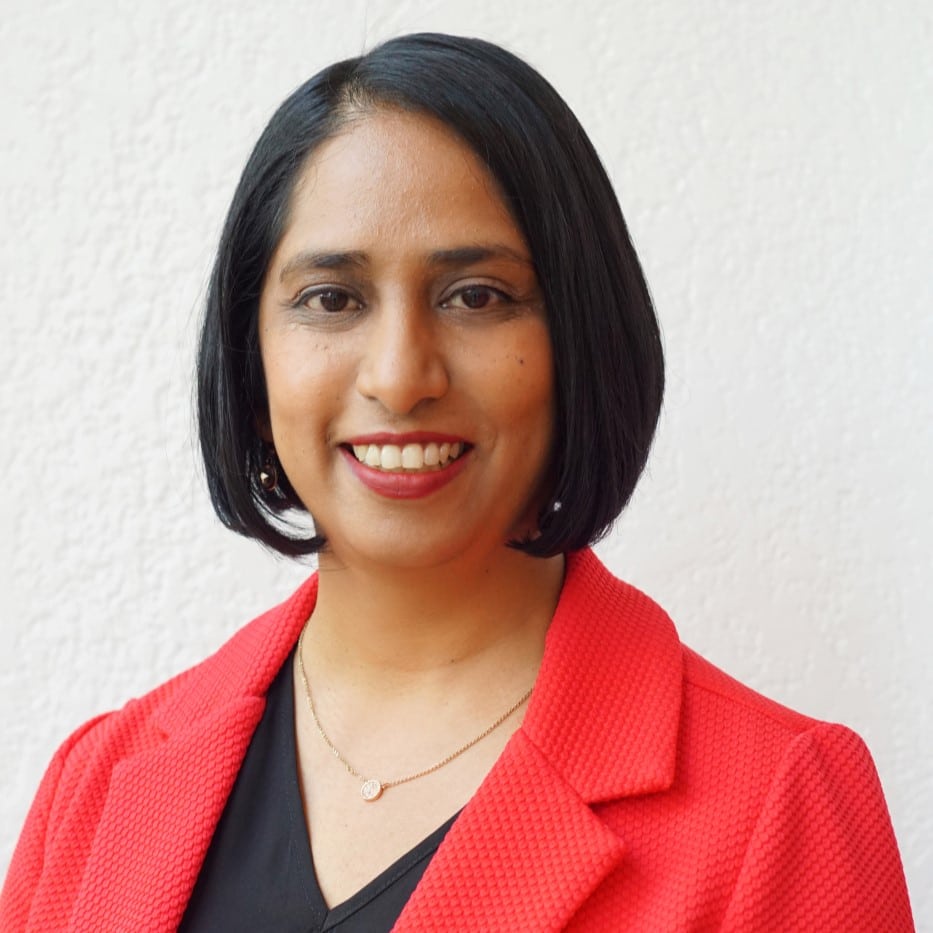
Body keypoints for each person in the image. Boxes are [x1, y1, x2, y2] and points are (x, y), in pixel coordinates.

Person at [1, 32, 914, 933]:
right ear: (253, 357)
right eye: (332, 299)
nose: (400, 377)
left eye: (475, 295)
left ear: (580, 341)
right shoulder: (101, 785)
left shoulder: (777, 804)